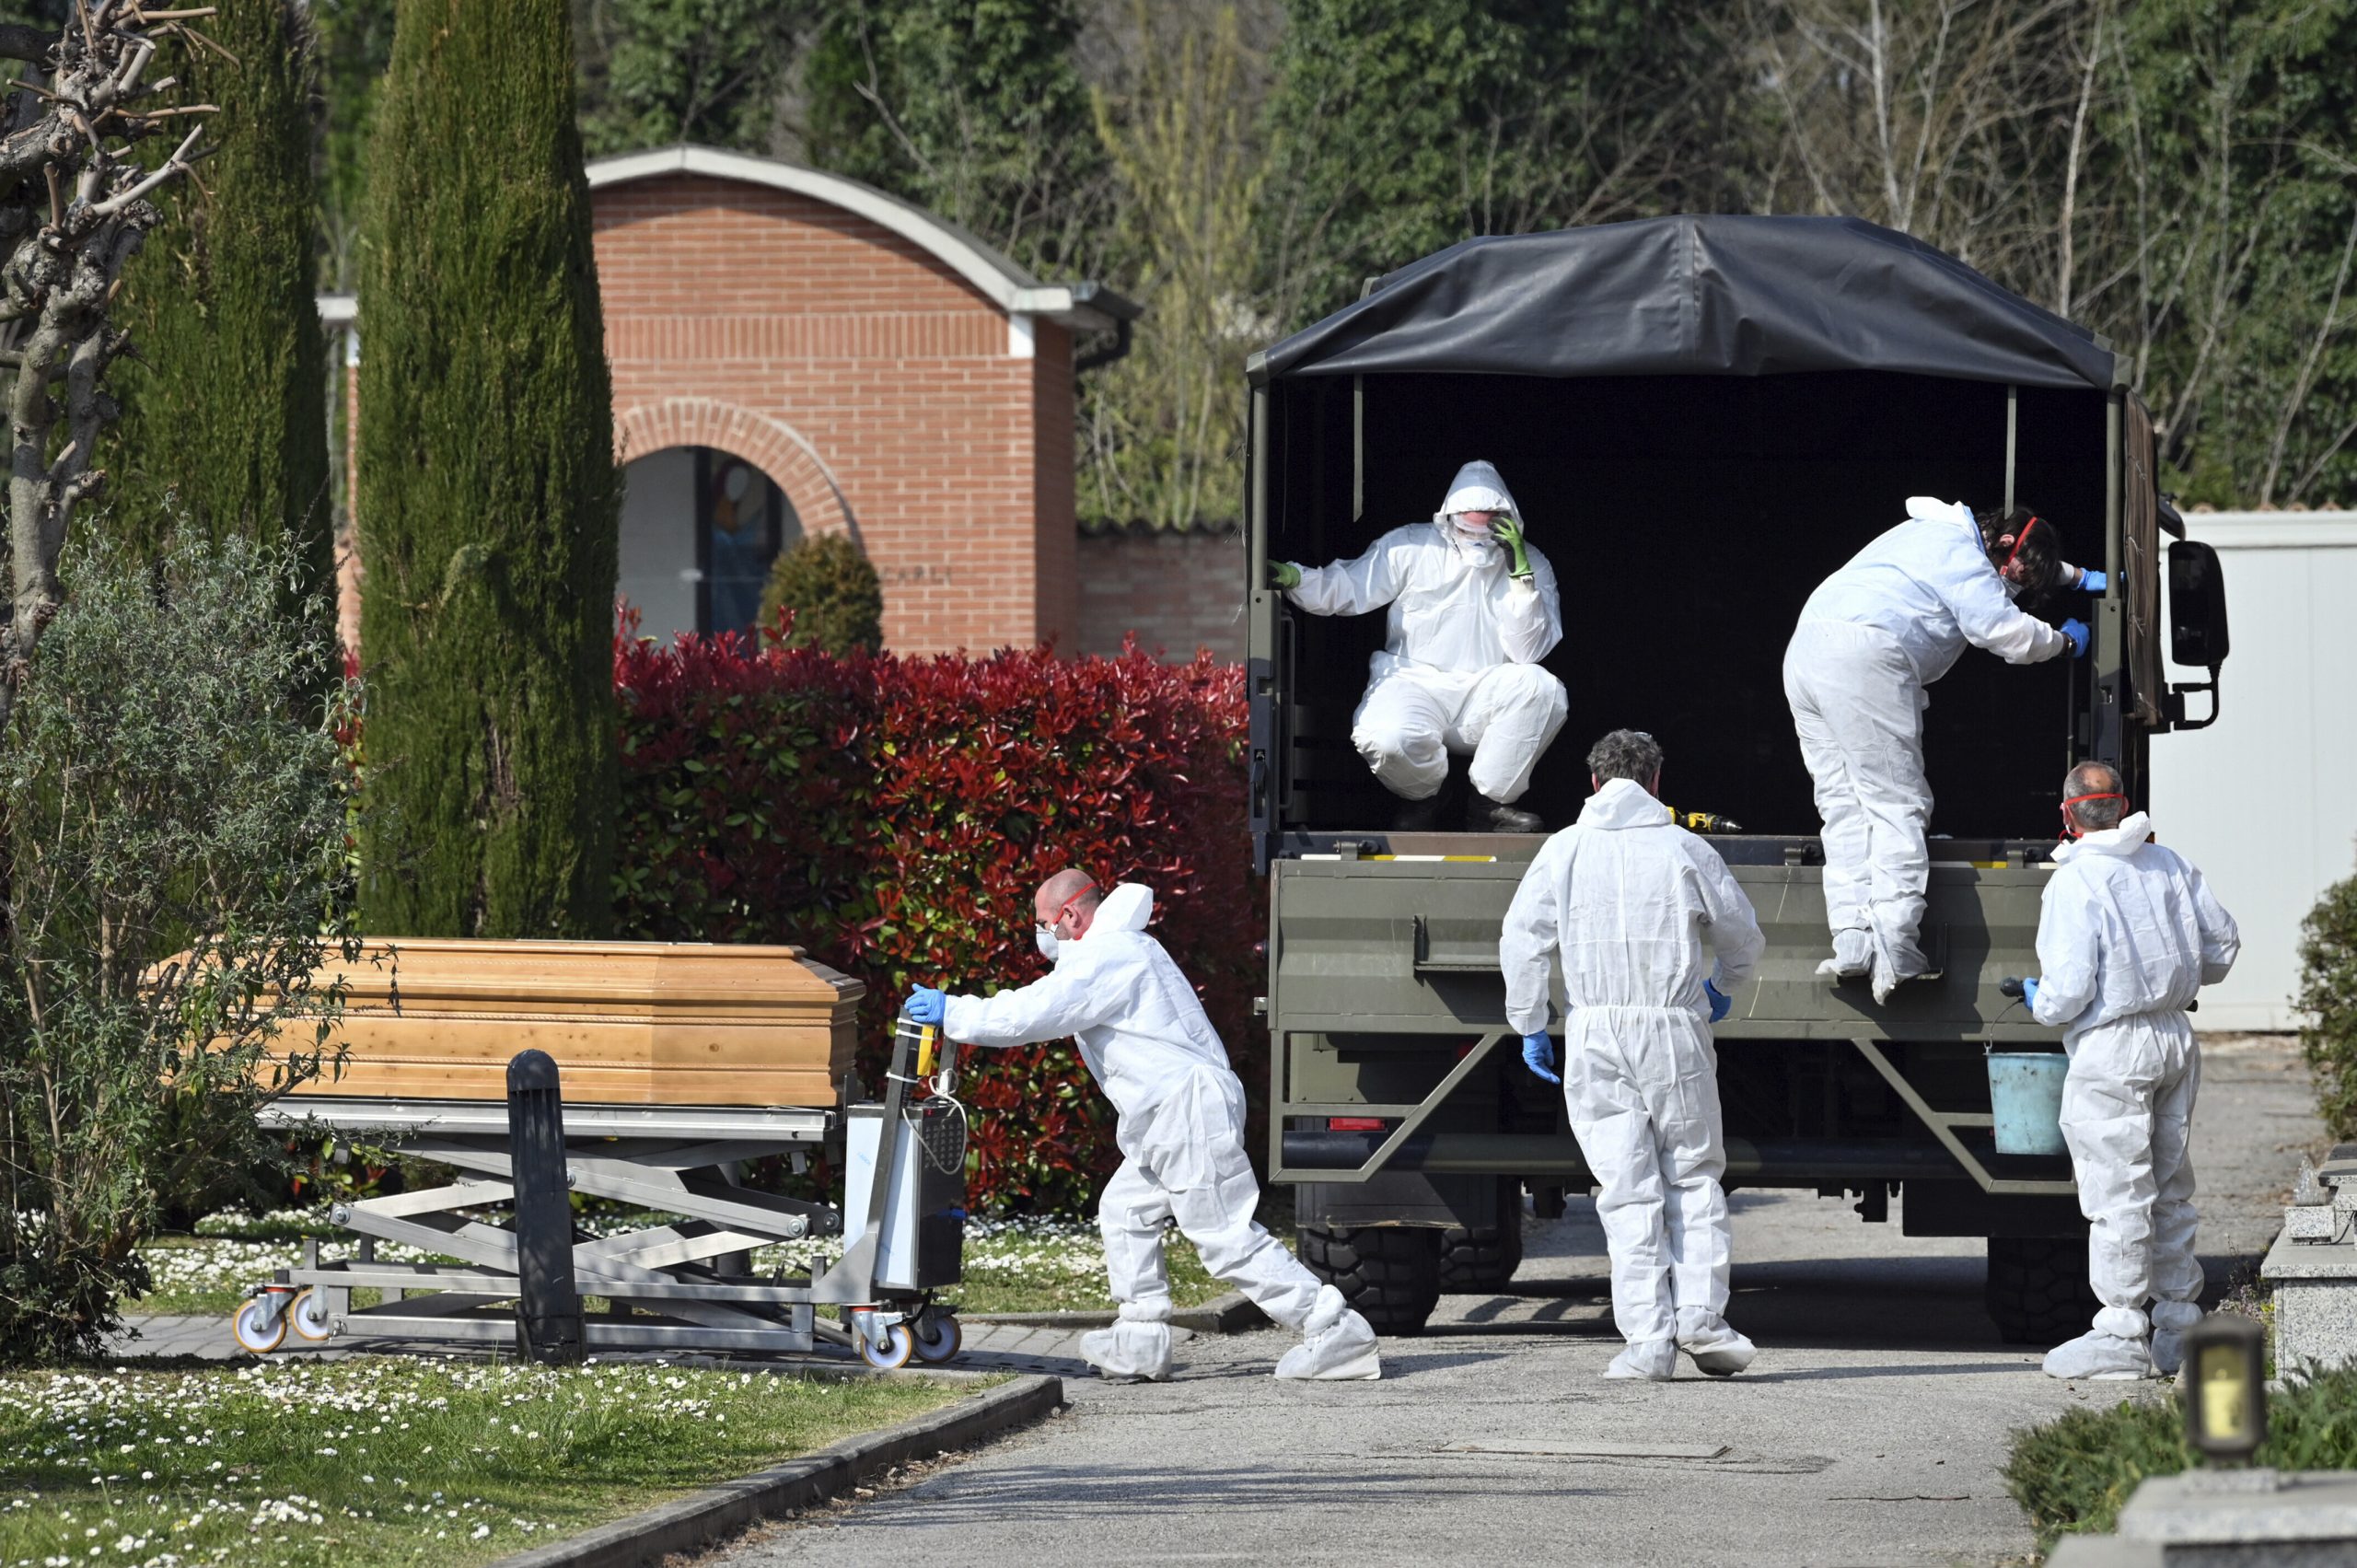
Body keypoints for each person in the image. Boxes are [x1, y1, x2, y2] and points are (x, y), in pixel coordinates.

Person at [903, 868, 1382, 1383]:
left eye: (1044, 923)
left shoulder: (1110, 954)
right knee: (1125, 1210)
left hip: (1185, 1109)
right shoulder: (1120, 949)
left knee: (1222, 1233)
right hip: (1171, 1113)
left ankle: (1334, 1331)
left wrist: (952, 1010)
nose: (1043, 935)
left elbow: (1032, 1012)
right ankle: (1141, 1339)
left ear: (1069, 915)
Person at [1500, 729, 1767, 1381]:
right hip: (1674, 1026)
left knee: (1625, 1186)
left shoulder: (1561, 851)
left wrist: (1530, 1021)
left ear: (1593, 782)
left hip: (1594, 1030)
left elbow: (1521, 938)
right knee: (1693, 1174)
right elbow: (1743, 936)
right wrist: (1720, 986)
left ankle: (1648, 1342)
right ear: (1655, 782)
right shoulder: (1684, 847)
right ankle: (1701, 1317)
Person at [1784, 497, 2104, 1003]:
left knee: (1843, 807)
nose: (2016, 587)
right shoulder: (1962, 555)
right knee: (1897, 804)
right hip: (1863, 654)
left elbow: (2022, 560)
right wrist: (2063, 643)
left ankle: (1853, 945)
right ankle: (1895, 949)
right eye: (2016, 576)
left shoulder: (1935, 535)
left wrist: (2076, 577)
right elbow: (2004, 632)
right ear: (2001, 545)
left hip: (1806, 652)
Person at [2023, 761, 2239, 1381]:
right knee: (2170, 1184)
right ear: (2123, 806)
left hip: (2113, 1042)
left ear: (2069, 813)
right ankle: (2179, 1326)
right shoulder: (2168, 862)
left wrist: (2039, 1000)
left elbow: (2065, 992)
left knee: (2118, 1185)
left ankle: (2120, 1331)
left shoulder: (2074, 882)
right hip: (2175, 1034)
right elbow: (2221, 947)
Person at [1270, 459, 1567, 832]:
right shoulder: (1410, 546)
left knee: (1542, 688)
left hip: (1485, 692)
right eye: (1466, 527)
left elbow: (1529, 652)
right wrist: (1297, 578)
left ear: (1507, 521)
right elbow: (1349, 588)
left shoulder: (1531, 561)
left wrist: (1519, 574)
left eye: (1487, 528)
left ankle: (1489, 806)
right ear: (1448, 519)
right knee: (1385, 736)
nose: (1476, 538)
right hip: (1413, 683)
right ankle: (1425, 797)